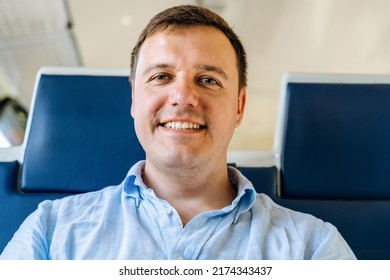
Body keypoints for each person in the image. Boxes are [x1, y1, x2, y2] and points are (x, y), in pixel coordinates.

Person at [0, 5, 356, 260]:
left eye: (208, 80)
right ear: (134, 100)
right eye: (161, 77)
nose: (184, 96)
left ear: (239, 107)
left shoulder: (313, 248)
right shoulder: (50, 231)